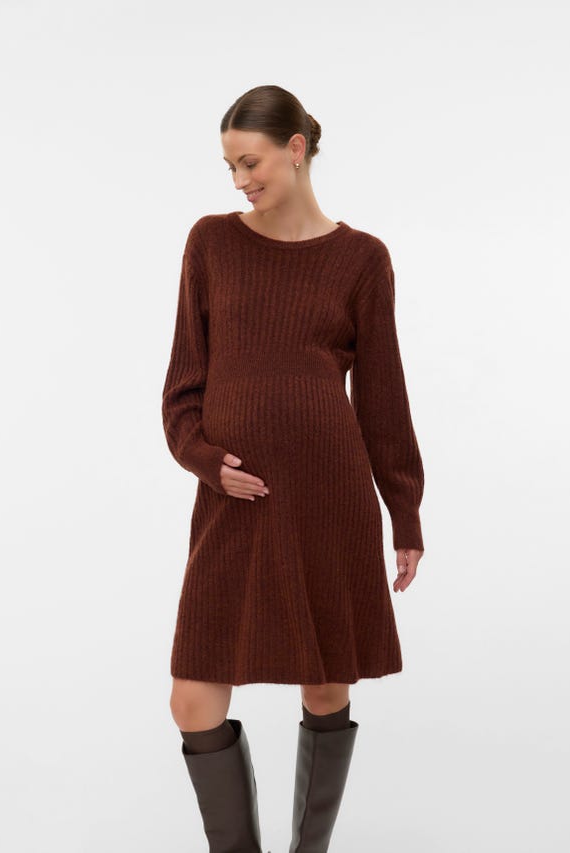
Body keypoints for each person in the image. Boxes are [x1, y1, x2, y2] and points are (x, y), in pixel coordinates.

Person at [161, 84, 425, 853]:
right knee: (193, 699)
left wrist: (404, 511)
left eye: (251, 162)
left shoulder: (362, 259)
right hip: (234, 502)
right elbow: (182, 388)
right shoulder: (211, 242)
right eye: (229, 166)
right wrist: (206, 461)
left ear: (296, 149)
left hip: (328, 496)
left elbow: (383, 396)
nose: (239, 179)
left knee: (325, 684)